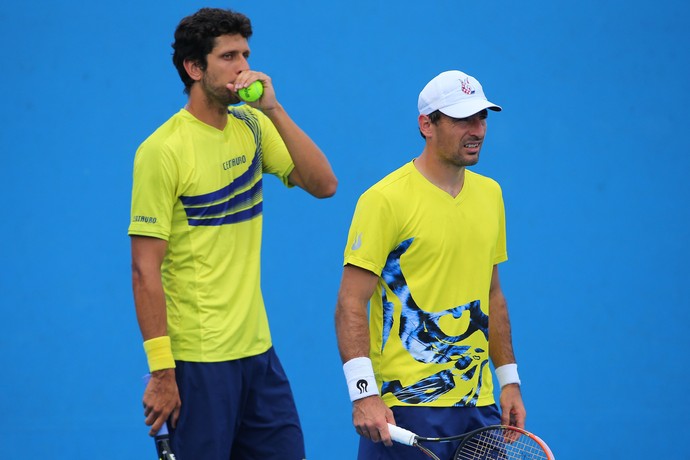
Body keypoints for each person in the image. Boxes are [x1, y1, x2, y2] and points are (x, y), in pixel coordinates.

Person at [128, 8, 337, 460]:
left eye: (245, 53)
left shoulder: (254, 125)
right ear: (194, 68)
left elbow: (324, 185)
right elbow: (145, 270)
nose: (243, 66)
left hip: (258, 353)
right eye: (228, 56)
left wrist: (274, 109)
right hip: (199, 361)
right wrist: (163, 372)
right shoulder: (162, 151)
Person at [334, 70, 525, 459]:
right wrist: (363, 395)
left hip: (480, 405)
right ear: (427, 124)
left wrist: (508, 380)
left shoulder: (491, 195)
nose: (477, 130)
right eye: (461, 119)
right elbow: (350, 303)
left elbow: (492, 294)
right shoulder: (384, 200)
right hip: (405, 410)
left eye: (482, 117)